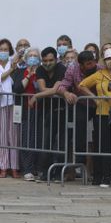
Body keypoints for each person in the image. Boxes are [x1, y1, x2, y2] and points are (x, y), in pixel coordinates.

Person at [79, 49, 111, 188]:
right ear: (104, 61)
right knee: (105, 146)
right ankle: (106, 177)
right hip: (102, 113)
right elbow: (82, 85)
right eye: (108, 59)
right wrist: (95, 99)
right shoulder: (99, 74)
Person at [57, 50, 102, 184]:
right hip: (82, 104)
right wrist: (66, 94)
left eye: (93, 62)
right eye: (88, 64)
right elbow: (62, 86)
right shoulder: (72, 70)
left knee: (100, 133)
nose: (92, 65)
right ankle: (79, 160)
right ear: (81, 65)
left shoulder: (99, 68)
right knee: (79, 125)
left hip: (99, 105)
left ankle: (98, 169)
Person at [29, 47, 67, 182]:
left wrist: (37, 96)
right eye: (45, 60)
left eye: (51, 60)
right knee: (46, 142)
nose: (47, 63)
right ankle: (45, 172)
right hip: (45, 111)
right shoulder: (40, 69)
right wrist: (45, 92)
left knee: (62, 143)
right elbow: (44, 88)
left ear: (56, 60)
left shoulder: (61, 68)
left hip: (62, 110)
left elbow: (56, 89)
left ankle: (59, 173)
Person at [11, 48, 41, 181]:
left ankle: (37, 168)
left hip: (40, 110)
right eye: (31, 55)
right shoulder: (21, 71)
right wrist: (28, 75)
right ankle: (27, 169)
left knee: (38, 139)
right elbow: (17, 89)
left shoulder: (41, 72)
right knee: (26, 139)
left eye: (35, 56)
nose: (33, 58)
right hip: (24, 110)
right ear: (26, 58)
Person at [0, 39, 20, 178]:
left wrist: (14, 68)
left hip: (13, 104)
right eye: (1, 50)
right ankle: (3, 166)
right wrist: (11, 69)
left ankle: (14, 166)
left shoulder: (16, 64)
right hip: (1, 104)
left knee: (13, 135)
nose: (3, 52)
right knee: (2, 136)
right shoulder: (11, 67)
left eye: (6, 49)